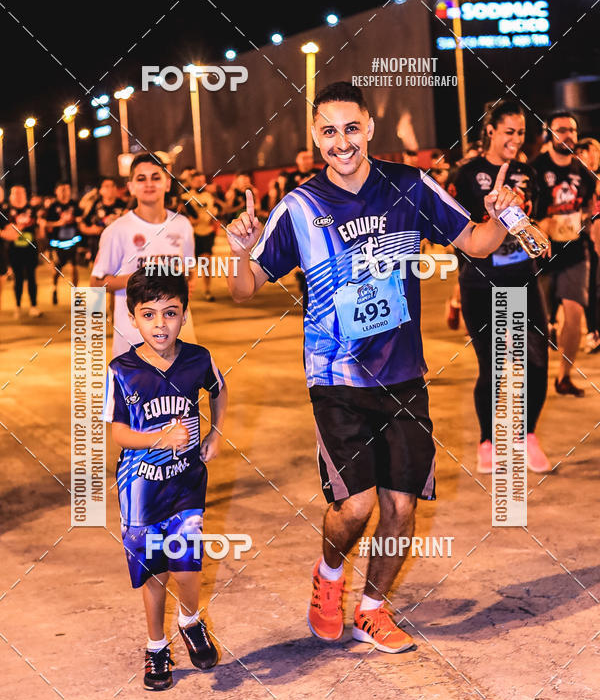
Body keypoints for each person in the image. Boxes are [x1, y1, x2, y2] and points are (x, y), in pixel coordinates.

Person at [226, 80, 522, 653]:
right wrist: (242, 253)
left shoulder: (409, 186)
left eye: (351, 128)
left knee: (401, 506)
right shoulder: (299, 207)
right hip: (336, 378)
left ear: (370, 129)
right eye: (329, 131)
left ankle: (372, 608)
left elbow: (478, 243)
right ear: (314, 137)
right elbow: (244, 290)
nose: (342, 142)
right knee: (355, 506)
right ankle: (330, 577)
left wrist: (504, 217)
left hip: (405, 373)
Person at [103, 268, 227, 690]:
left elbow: (220, 390)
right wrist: (158, 438)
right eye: (149, 314)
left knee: (188, 568)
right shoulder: (121, 370)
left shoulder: (197, 358)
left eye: (170, 313)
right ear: (133, 319)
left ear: (184, 314)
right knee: (154, 572)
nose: (161, 324)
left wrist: (214, 432)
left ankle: (190, 619)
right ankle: (156, 646)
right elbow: (117, 432)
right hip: (140, 488)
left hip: (186, 482)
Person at [453, 99, 551, 474]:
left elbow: (536, 221)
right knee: (492, 365)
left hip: (523, 279)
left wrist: (542, 235)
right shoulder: (468, 172)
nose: (515, 139)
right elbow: (457, 230)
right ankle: (488, 441)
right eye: (508, 131)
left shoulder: (527, 172)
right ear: (490, 130)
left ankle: (527, 436)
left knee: (537, 361)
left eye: (521, 132)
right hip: (480, 284)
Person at [90, 153, 197, 357]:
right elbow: (96, 283)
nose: (149, 184)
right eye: (141, 178)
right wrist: (142, 279)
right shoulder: (117, 230)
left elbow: (190, 270)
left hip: (178, 339)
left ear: (167, 184)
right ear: (130, 187)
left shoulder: (182, 225)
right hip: (133, 341)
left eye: (156, 177)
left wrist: (188, 282)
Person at [533, 111, 597, 396]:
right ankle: (530, 380)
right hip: (540, 255)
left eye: (572, 130)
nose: (568, 135)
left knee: (574, 313)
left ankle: (564, 376)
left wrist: (587, 227)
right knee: (536, 321)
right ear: (549, 134)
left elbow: (588, 208)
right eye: (561, 130)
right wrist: (538, 225)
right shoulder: (534, 170)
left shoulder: (583, 171)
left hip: (574, 250)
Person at [0, 184, 42, 318]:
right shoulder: (5, 210)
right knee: (17, 278)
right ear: (10, 195)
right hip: (14, 250)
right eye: (15, 193)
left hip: (30, 249)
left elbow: (39, 231)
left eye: (21, 193)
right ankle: (17, 306)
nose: (18, 196)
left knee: (31, 277)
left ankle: (33, 306)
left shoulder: (32, 210)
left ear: (25, 195)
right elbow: (7, 231)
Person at [574, 139, 600, 353]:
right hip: (584, 238)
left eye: (593, 152)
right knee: (590, 287)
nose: (589, 156)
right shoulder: (577, 179)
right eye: (584, 153)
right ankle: (593, 331)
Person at [180, 171, 219, 301]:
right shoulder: (185, 197)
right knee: (188, 266)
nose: (199, 183)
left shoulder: (208, 196)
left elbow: (213, 212)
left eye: (201, 181)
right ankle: (185, 291)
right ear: (190, 182)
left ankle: (207, 290)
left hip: (207, 233)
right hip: (192, 235)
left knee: (206, 261)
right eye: (196, 181)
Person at [45, 181, 83, 304]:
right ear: (56, 192)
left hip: (73, 241)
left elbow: (81, 219)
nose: (64, 193)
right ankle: (54, 288)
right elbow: (46, 224)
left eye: (66, 190)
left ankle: (76, 294)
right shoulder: (52, 207)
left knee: (74, 267)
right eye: (61, 190)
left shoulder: (75, 205)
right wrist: (58, 223)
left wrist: (78, 220)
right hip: (58, 244)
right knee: (57, 269)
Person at [79, 176, 126, 264]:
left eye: (113, 186)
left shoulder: (124, 206)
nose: (110, 189)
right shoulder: (95, 206)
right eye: (107, 186)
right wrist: (91, 230)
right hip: (98, 247)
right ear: (100, 190)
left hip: (119, 248)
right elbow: (82, 225)